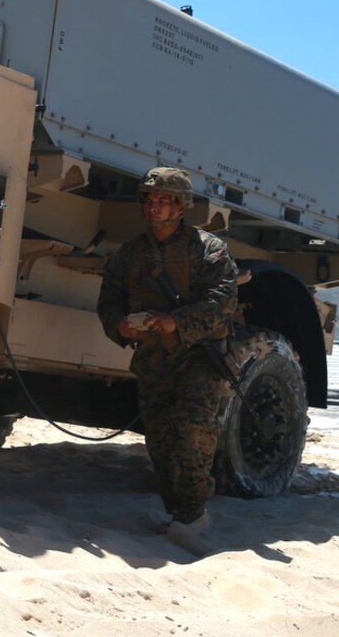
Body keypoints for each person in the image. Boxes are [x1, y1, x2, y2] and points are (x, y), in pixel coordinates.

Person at [97, 166, 238, 555]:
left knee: (194, 428)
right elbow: (108, 298)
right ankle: (177, 510)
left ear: (181, 207)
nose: (154, 208)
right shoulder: (129, 254)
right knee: (159, 440)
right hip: (154, 358)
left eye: (164, 201)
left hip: (199, 355)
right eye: (150, 200)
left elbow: (223, 303)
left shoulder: (209, 250)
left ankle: (194, 512)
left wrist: (176, 321)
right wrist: (119, 326)